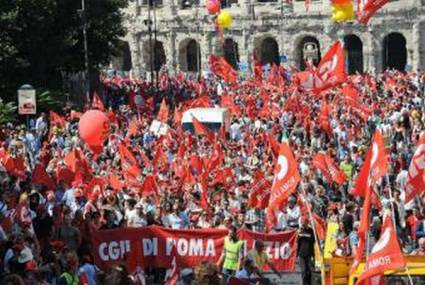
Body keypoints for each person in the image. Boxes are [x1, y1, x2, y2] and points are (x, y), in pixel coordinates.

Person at [297, 217, 315, 285]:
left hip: (309, 253)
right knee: (303, 271)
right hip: (301, 254)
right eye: (302, 223)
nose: (303, 225)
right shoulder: (299, 231)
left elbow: (313, 240)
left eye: (304, 223)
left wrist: (305, 235)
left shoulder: (311, 230)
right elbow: (297, 243)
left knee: (309, 271)